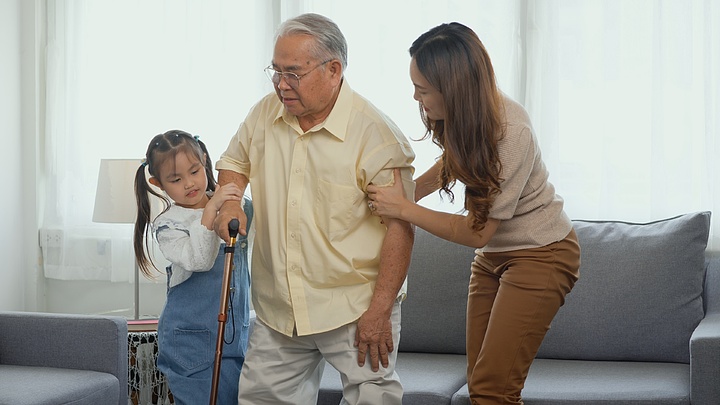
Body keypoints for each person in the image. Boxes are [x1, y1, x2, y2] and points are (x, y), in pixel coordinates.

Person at [366, 23, 581, 405]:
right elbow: (457, 159)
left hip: (541, 254)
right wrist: (411, 190)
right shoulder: (466, 117)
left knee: (492, 390)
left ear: (455, 88)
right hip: (492, 259)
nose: (415, 96)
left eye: (423, 89)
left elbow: (476, 232)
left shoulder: (513, 132)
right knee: (480, 382)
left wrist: (405, 208)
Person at [213, 13, 416, 405]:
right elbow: (233, 163)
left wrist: (379, 310)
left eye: (293, 73)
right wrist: (231, 199)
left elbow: (400, 227)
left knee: (372, 399)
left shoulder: (375, 134)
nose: (281, 84)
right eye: (275, 71)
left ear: (334, 69)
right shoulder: (263, 114)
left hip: (354, 307)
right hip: (279, 306)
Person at [133, 129, 254, 405]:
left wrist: (228, 201)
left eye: (194, 171)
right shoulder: (168, 225)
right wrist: (210, 213)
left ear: (205, 162)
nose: (189, 183)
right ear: (158, 183)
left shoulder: (232, 206)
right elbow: (199, 261)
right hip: (191, 344)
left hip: (235, 338)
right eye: (176, 179)